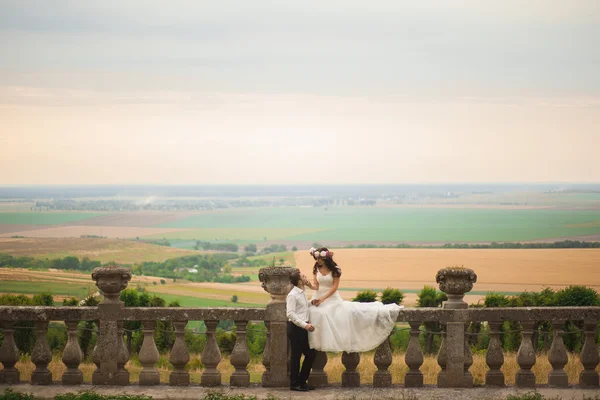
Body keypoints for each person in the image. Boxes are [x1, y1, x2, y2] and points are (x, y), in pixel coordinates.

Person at [303, 247, 403, 353]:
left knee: (325, 313)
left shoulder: (335, 269)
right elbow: (316, 286)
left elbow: (334, 288)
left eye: (320, 259)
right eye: (316, 258)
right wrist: (310, 285)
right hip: (318, 296)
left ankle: (331, 342)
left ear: (326, 258)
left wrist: (322, 299)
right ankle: (316, 342)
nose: (318, 261)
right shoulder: (316, 268)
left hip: (331, 298)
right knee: (313, 312)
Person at [286, 269, 317, 391]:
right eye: (303, 276)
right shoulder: (292, 295)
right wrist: (305, 325)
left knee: (310, 354)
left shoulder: (301, 292)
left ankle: (302, 382)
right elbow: (291, 314)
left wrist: (311, 303)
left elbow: (301, 307)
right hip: (296, 329)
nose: (305, 277)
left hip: (302, 328)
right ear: (299, 281)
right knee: (296, 357)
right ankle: (294, 384)